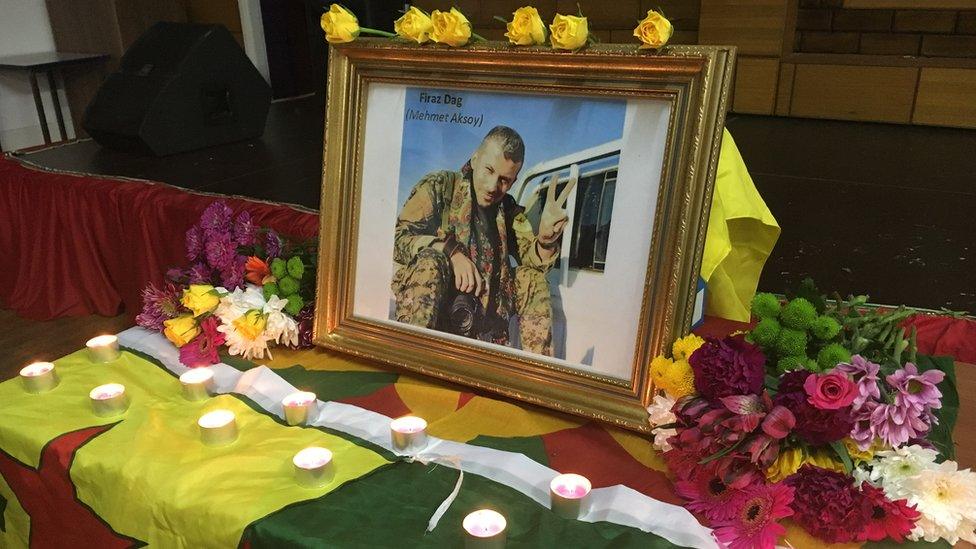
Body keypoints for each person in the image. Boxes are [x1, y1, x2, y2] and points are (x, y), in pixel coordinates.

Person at [391, 125, 576, 355]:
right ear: (475, 158)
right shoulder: (440, 187)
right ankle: (411, 357)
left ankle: (536, 374)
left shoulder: (508, 210)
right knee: (430, 260)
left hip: (488, 320)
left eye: (504, 180)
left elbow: (534, 262)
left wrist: (546, 240)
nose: (492, 186)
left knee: (531, 279)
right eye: (488, 170)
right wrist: (450, 251)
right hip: (438, 314)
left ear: (514, 180)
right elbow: (397, 239)